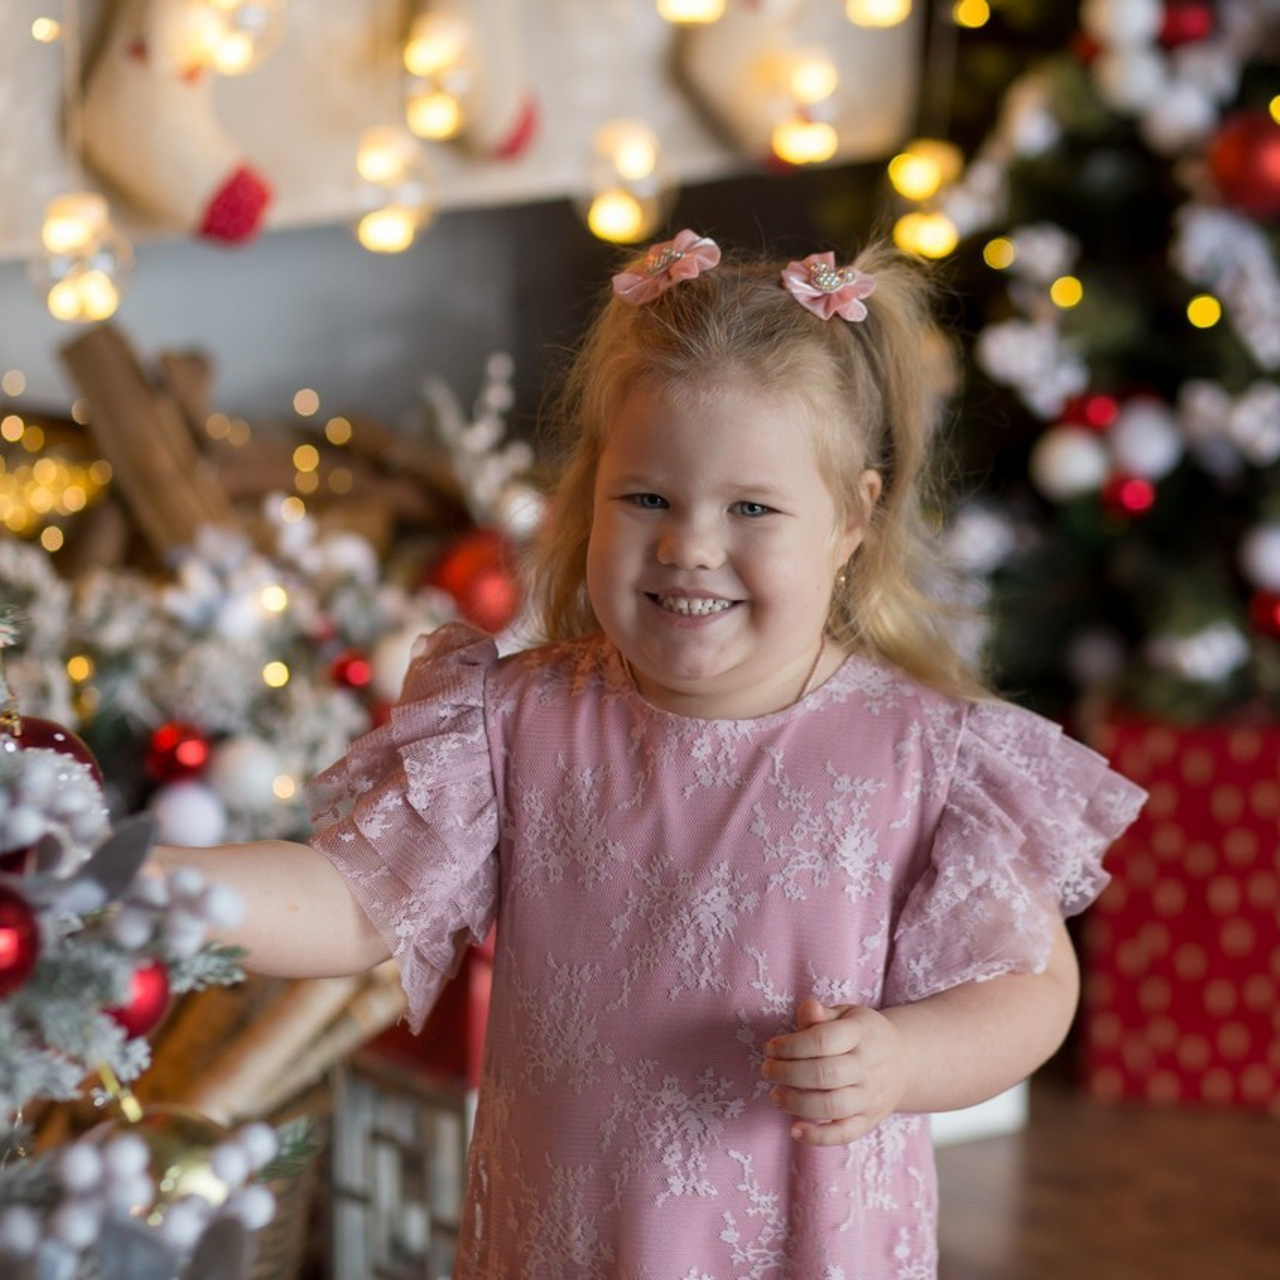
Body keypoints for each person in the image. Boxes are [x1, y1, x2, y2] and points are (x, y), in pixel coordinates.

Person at [158, 230, 1147, 1277]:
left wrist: (905, 1059)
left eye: (751, 508)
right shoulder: (517, 721)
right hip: (566, 1238)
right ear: (591, 491)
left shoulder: (920, 754)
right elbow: (355, 902)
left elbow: (1029, 987)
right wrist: (155, 882)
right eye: (646, 499)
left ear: (851, 520)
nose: (688, 546)